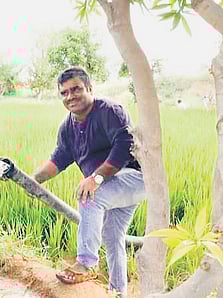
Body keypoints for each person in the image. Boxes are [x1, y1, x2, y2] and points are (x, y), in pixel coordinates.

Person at [31, 66, 145, 296]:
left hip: (133, 178)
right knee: (113, 239)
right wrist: (33, 180)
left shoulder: (109, 111)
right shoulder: (67, 127)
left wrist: (97, 177)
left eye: (76, 89)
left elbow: (124, 145)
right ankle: (118, 292)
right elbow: (59, 159)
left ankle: (85, 263)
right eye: (64, 93)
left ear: (89, 88)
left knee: (89, 198)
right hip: (111, 188)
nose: (70, 96)